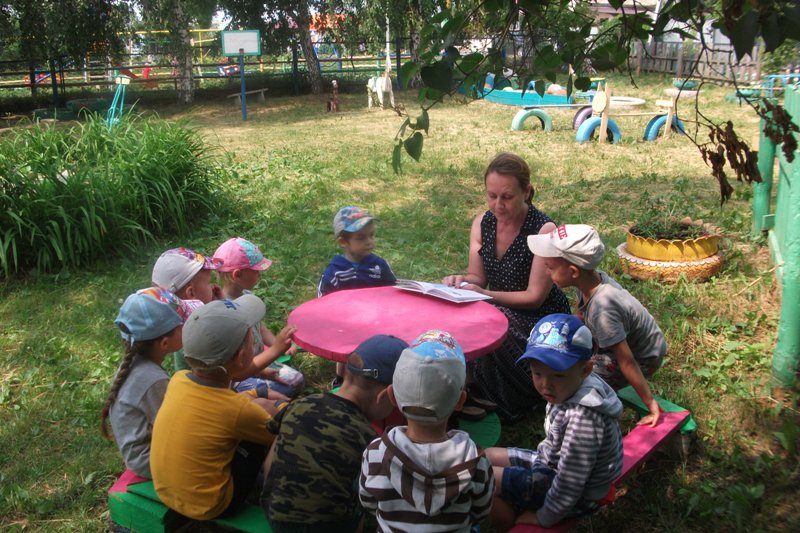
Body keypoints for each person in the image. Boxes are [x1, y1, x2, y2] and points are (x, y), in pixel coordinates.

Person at [442, 152, 570, 421]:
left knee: (494, 327)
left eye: (507, 197)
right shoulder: (482, 223)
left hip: (539, 317)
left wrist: (484, 295)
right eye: (491, 195)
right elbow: (477, 277)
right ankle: (467, 387)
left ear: (526, 192)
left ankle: (507, 400)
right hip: (497, 305)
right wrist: (461, 282)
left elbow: (535, 297)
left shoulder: (542, 229)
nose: (497, 204)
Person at [150, 295, 295, 521]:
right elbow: (286, 435)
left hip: (167, 491)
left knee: (253, 409)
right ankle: (271, 492)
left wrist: (256, 395)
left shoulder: (179, 379)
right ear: (241, 356)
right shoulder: (235, 410)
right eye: (251, 338)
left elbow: (220, 405)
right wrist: (282, 408)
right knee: (276, 433)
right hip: (212, 505)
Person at [487, 314, 623, 531]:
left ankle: (512, 525)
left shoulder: (583, 418)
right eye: (537, 373)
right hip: (554, 466)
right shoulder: (573, 386)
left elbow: (570, 484)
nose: (545, 385)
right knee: (484, 456)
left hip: (579, 495)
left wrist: (544, 517)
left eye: (557, 376)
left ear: (585, 370)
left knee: (481, 479)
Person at [262, 334, 408, 533]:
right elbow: (370, 498)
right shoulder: (369, 439)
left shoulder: (301, 404)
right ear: (384, 395)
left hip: (275, 516)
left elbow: (269, 465)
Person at [527, 224, 666, 426]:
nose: (547, 272)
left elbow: (627, 361)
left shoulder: (603, 310)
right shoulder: (588, 283)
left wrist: (650, 402)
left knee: (575, 376)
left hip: (643, 357)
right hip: (624, 347)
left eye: (550, 268)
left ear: (573, 271)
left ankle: (585, 417)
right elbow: (579, 318)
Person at [359, 330, 495, 531]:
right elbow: (481, 511)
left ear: (392, 396)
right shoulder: (475, 459)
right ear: (460, 402)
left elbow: (368, 501)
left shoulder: (375, 454)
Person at [100, 287, 188, 478]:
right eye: (181, 324)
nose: (186, 327)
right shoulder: (153, 380)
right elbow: (176, 429)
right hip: (149, 460)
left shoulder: (136, 364)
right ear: (164, 343)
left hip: (147, 450)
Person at [213, 237, 304, 399]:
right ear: (237, 275)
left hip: (257, 361)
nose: (260, 275)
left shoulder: (246, 295)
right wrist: (276, 350)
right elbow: (235, 370)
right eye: (256, 271)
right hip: (238, 376)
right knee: (290, 386)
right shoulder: (224, 312)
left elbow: (259, 327)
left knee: (296, 380)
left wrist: (276, 342)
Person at [318, 205, 397, 387]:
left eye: (371, 235)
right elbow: (323, 301)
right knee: (345, 350)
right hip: (346, 321)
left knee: (373, 350)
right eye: (361, 238)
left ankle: (374, 376)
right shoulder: (335, 271)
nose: (369, 241)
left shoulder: (378, 265)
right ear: (343, 242)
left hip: (376, 319)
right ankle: (341, 377)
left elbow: (393, 290)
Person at [150, 247, 223, 372]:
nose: (212, 287)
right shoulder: (198, 333)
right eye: (208, 283)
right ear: (191, 293)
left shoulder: (179, 328)